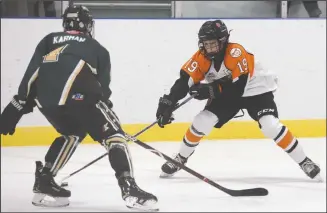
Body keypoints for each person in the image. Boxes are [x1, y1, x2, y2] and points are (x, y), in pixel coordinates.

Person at [0, 5, 158, 211]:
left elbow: (32, 73)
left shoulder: (48, 40)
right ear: (87, 25)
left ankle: (44, 181)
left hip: (45, 100)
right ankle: (129, 187)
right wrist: (106, 119)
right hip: (81, 95)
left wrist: (19, 103)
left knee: (71, 133)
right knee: (114, 136)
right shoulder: (97, 48)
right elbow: (102, 91)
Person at [155, 19, 321, 181]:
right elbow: (184, 81)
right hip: (224, 91)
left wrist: (210, 90)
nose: (210, 48)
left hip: (255, 90)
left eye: (213, 43)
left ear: (224, 41)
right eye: (206, 44)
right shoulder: (200, 58)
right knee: (201, 121)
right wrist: (169, 101)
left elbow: (238, 89)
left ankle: (304, 161)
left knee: (270, 125)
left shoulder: (236, 52)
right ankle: (180, 159)